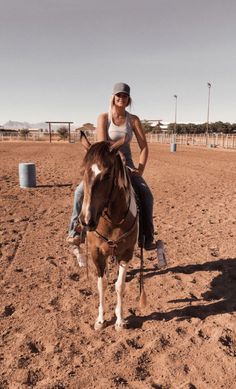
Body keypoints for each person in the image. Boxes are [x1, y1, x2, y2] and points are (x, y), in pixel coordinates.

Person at [67, 82, 156, 250]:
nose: (121, 98)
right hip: (105, 162)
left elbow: (144, 147)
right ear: (113, 98)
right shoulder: (104, 118)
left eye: (125, 96)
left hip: (127, 165)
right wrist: (117, 154)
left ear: (129, 99)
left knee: (146, 193)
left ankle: (147, 236)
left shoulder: (133, 120)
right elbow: (103, 144)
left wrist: (140, 169)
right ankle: (75, 232)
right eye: (118, 95)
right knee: (80, 191)